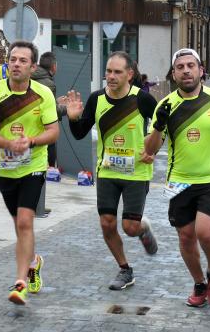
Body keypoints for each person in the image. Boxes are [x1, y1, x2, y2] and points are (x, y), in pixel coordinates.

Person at [144, 48, 210, 308]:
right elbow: (150, 149)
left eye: (191, 65)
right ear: (174, 74)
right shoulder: (165, 105)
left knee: (205, 232)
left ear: (201, 70)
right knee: (186, 236)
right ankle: (200, 282)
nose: (186, 70)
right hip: (179, 179)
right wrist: (157, 126)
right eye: (180, 67)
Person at [66, 51, 159, 291]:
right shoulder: (97, 99)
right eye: (108, 71)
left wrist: (153, 149)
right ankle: (125, 269)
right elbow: (79, 134)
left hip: (136, 173)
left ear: (130, 74)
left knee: (129, 227)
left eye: (117, 72)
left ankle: (142, 228)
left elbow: (164, 127)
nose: (111, 76)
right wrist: (73, 118)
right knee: (107, 223)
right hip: (107, 171)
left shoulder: (143, 99)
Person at [0, 41, 59, 305]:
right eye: (13, 59)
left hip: (34, 165)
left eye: (23, 60)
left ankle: (20, 282)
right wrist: (7, 144)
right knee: (18, 223)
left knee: (25, 221)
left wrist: (31, 141)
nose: (16, 64)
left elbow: (53, 131)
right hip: (6, 167)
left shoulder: (43, 93)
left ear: (33, 67)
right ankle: (33, 262)